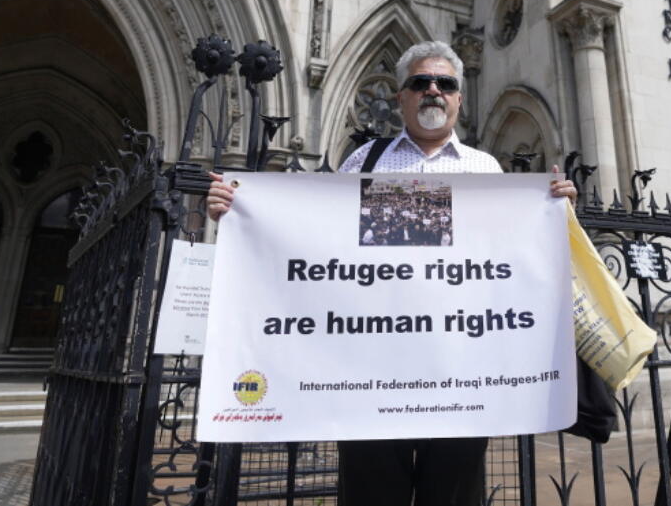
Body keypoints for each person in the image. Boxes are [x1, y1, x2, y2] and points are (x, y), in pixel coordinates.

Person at [207, 40, 579, 506]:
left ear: (459, 100)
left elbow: (514, 263)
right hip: (374, 373)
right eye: (419, 82)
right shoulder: (366, 162)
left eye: (445, 84)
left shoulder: (486, 170)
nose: (433, 91)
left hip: (461, 374)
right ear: (402, 97)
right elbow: (317, 238)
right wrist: (242, 212)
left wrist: (556, 213)